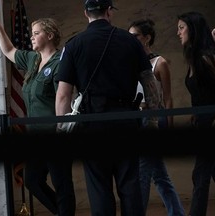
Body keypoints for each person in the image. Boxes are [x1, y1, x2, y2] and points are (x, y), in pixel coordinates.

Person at [55, 0, 160, 215]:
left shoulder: (74, 45)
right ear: (109, 12)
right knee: (130, 186)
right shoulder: (130, 42)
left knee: (99, 188)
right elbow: (150, 84)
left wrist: (63, 131)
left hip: (92, 124)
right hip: (126, 120)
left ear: (86, 13)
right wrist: (153, 120)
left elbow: (63, 94)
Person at [0, 11, 75, 216]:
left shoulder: (60, 62)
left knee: (62, 183)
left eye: (36, 33)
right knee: (32, 180)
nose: (31, 37)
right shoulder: (32, 59)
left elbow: (63, 98)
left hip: (55, 133)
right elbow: (9, 50)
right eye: (31, 33)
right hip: (35, 135)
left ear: (50, 35)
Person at [128, 19, 185, 216]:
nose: (131, 40)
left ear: (147, 38)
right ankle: (177, 212)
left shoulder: (159, 63)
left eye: (135, 36)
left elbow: (168, 98)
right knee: (159, 175)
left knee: (143, 174)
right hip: (137, 121)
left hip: (153, 120)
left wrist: (168, 127)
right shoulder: (131, 62)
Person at [177, 11, 215, 216]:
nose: (178, 32)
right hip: (203, 121)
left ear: (193, 29)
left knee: (200, 175)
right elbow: (201, 91)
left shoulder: (205, 56)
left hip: (214, 122)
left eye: (182, 27)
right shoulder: (195, 56)